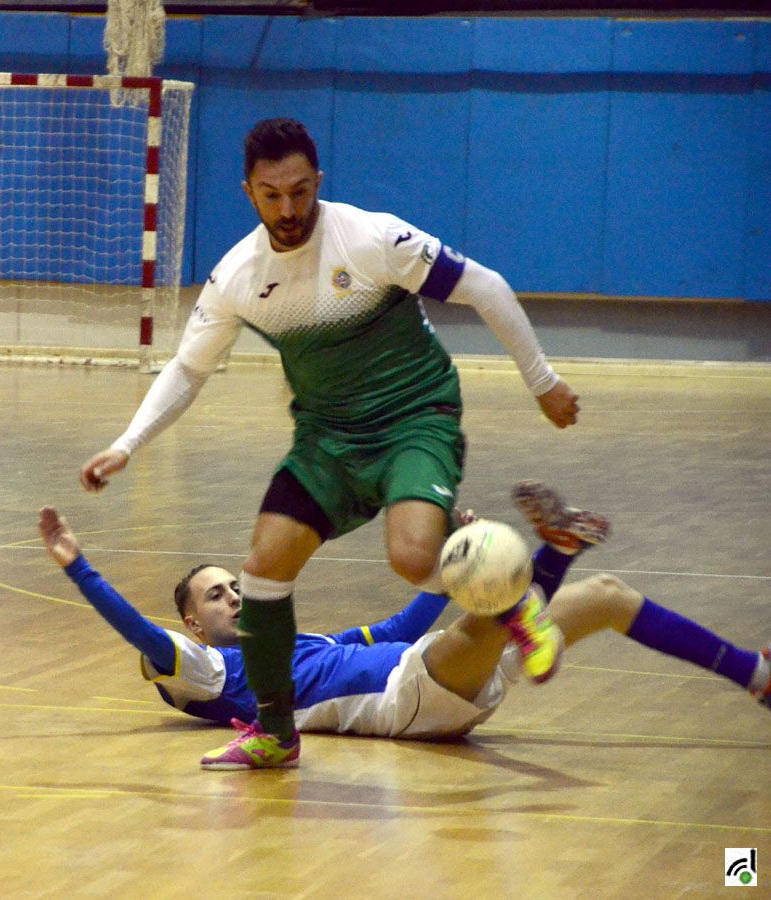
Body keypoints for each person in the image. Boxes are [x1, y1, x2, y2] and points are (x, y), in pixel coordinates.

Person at [80, 117, 578, 767]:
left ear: (318, 181)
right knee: (263, 570)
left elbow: (483, 286)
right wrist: (128, 443)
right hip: (326, 438)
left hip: (412, 418)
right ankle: (275, 733)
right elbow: (188, 368)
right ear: (248, 193)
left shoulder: (373, 238)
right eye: (271, 195)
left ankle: (517, 603)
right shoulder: (238, 275)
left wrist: (542, 381)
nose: (288, 209)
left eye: (299, 191)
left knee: (411, 555)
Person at [39, 482, 771, 770]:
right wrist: (78, 565)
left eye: (235, 585)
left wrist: (445, 563)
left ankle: (757, 675)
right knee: (486, 602)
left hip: (433, 670)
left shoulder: (302, 644)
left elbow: (396, 627)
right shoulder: (215, 674)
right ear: (192, 621)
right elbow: (140, 634)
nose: (233, 595)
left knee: (609, 596)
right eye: (216, 595)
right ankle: (541, 565)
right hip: (409, 701)